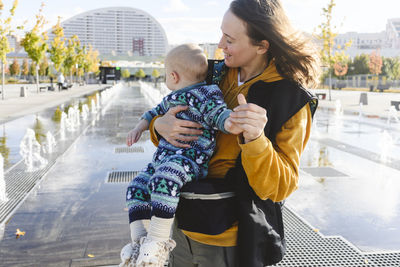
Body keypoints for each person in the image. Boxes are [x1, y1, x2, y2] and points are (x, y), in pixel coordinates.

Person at [147, 0, 320, 266]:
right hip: (176, 222)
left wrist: (255, 140)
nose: (219, 45)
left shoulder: (291, 100)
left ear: (262, 46)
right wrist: (159, 126)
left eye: (230, 39)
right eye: (221, 34)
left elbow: (281, 186)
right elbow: (169, 110)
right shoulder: (208, 73)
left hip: (226, 235)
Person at [119, 44, 241, 267]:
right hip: (163, 160)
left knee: (164, 179)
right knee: (136, 186)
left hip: (190, 159)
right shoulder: (172, 98)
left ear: (173, 76)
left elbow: (219, 114)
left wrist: (233, 121)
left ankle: (158, 241)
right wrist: (139, 127)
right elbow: (152, 113)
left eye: (165, 74)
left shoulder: (207, 94)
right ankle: (139, 242)